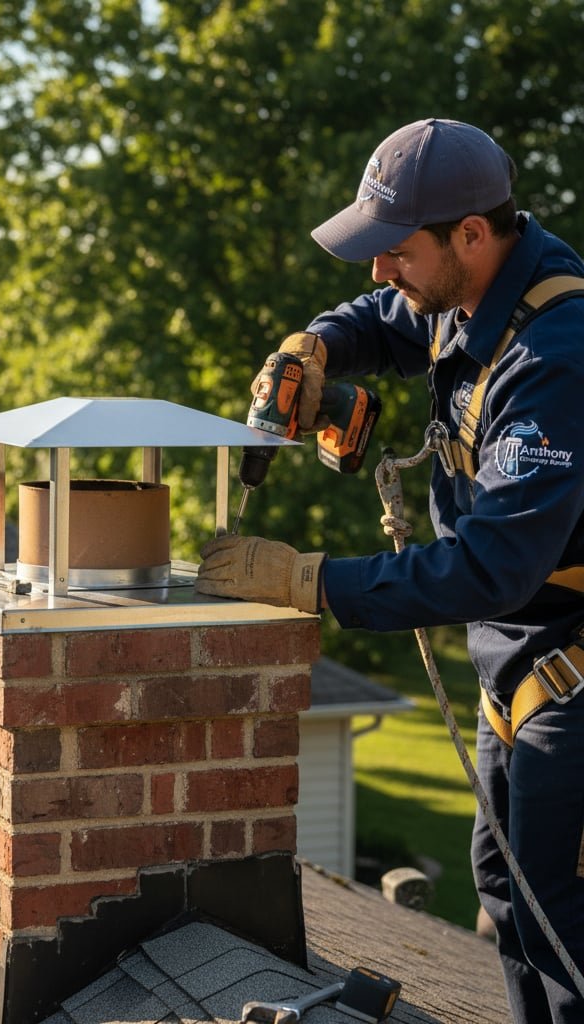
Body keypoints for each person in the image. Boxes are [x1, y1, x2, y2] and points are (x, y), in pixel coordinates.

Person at [196, 118, 584, 1023]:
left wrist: (309, 582)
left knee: (564, 935)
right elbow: (386, 318)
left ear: (472, 236)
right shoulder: (473, 292)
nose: (379, 272)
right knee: (507, 897)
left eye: (395, 252)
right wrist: (316, 345)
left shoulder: (554, 361)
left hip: (567, 674)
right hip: (516, 673)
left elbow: (492, 571)